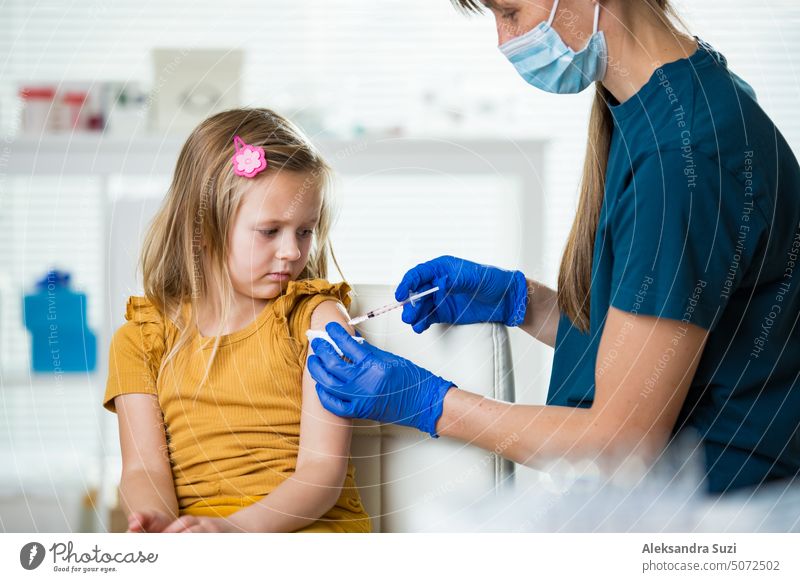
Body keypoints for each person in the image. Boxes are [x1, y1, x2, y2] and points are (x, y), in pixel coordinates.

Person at [308, 0, 800, 494]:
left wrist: (428, 402)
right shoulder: (660, 104)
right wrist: (524, 303)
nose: (503, 40)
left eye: (510, 11)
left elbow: (619, 441)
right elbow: (660, 348)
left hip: (717, 516)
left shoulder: (684, 160)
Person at [103, 108, 371, 532]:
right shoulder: (142, 338)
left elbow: (321, 474)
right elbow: (143, 469)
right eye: (270, 231)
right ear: (205, 225)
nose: (292, 252)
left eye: (305, 231)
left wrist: (235, 533)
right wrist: (162, 527)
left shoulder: (317, 318)